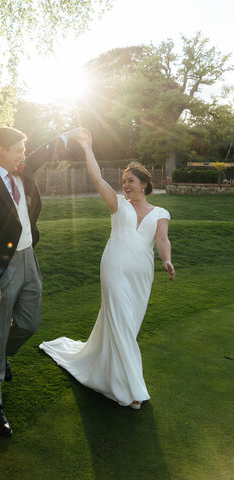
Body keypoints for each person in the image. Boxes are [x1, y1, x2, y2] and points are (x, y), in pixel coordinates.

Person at [40, 129, 175, 410]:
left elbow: (161, 239)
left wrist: (166, 260)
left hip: (141, 276)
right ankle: (133, 391)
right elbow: (98, 178)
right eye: (123, 181)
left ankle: (109, 373)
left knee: (127, 326)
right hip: (113, 269)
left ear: (144, 184)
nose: (125, 185)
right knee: (122, 326)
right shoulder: (117, 205)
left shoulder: (161, 213)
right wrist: (88, 148)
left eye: (131, 181)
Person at [0, 125, 83, 436]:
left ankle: (1, 357)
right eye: (18, 149)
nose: (23, 155)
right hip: (1, 269)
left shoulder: (21, 169)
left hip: (30, 258)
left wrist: (69, 135)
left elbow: (44, 152)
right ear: (1, 150)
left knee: (30, 323)